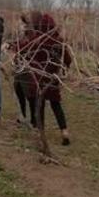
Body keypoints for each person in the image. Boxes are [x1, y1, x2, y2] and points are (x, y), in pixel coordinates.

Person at [22, 13, 72, 145]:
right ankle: (64, 131)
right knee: (56, 105)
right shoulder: (59, 41)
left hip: (39, 78)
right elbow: (68, 59)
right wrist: (64, 69)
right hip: (53, 77)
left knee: (40, 106)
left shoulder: (37, 40)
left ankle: (41, 133)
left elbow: (25, 52)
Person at [12, 12, 38, 125]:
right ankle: (22, 116)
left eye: (22, 24)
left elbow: (26, 47)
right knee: (19, 92)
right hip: (19, 68)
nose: (21, 26)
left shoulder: (33, 35)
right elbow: (18, 44)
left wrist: (15, 47)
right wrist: (11, 44)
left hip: (28, 70)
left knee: (30, 96)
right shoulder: (23, 35)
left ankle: (34, 119)